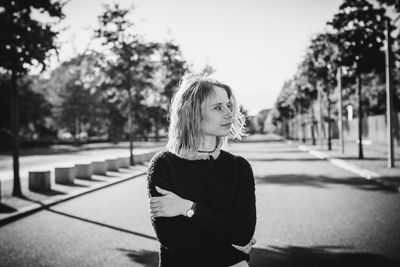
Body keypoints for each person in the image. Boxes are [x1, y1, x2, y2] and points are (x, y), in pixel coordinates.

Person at [147, 72, 257, 267]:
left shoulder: (239, 167)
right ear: (193, 114)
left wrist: (187, 208)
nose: (229, 113)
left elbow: (243, 232)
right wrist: (230, 247)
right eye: (217, 107)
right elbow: (172, 239)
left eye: (228, 105)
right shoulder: (164, 165)